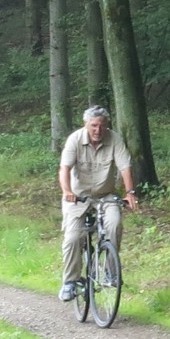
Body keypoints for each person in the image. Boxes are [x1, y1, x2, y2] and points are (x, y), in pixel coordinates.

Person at [60, 105, 140, 301]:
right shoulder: (75, 140)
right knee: (73, 238)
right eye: (94, 126)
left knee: (114, 224)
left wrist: (130, 193)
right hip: (78, 196)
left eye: (102, 126)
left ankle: (112, 272)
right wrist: (67, 191)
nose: (98, 130)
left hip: (105, 195)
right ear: (86, 125)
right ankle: (70, 281)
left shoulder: (115, 139)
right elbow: (64, 168)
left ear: (107, 126)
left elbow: (125, 167)